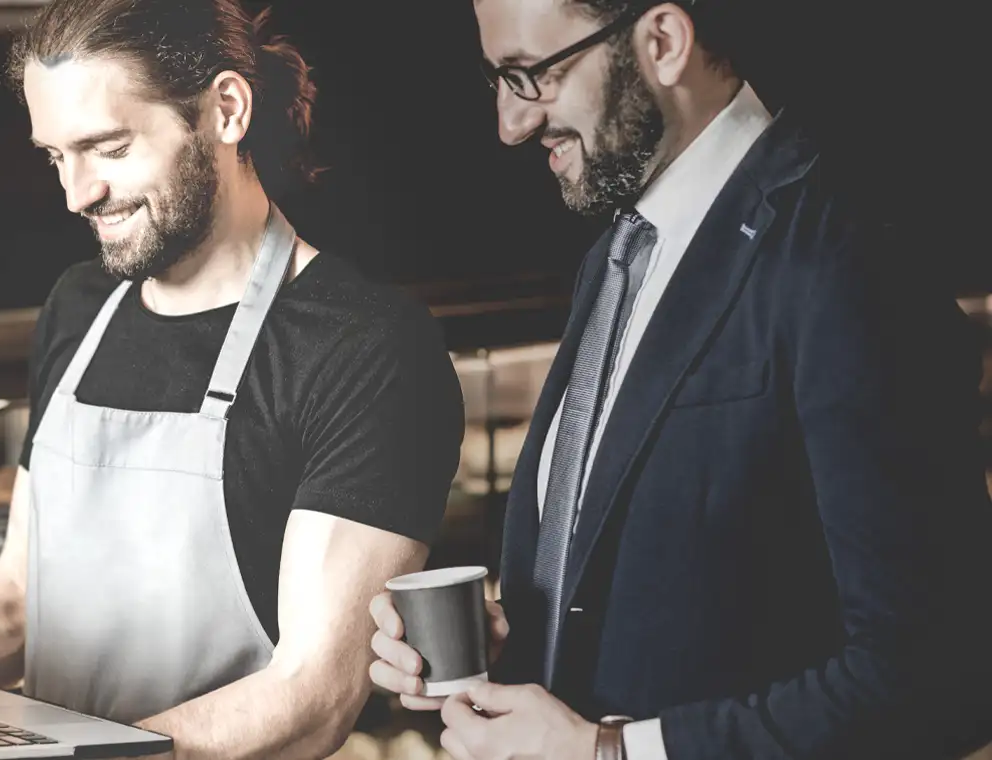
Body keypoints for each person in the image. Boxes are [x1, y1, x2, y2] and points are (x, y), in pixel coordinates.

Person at [0, 0, 466, 758]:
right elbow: (19, 600)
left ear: (225, 110)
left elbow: (311, 695)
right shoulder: (80, 305)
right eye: (55, 156)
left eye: (108, 147)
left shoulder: (362, 346)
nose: (77, 193)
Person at [369, 0, 992, 758]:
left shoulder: (844, 256)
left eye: (529, 75)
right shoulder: (617, 255)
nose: (511, 123)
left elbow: (938, 677)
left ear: (662, 42)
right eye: (496, 79)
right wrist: (518, 644)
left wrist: (610, 752)